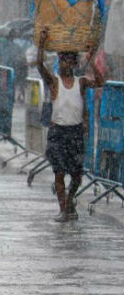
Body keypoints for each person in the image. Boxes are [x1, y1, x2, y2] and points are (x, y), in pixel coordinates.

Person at [36, 28, 105, 222]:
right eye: (63, 60)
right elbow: (40, 65)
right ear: (60, 62)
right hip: (58, 132)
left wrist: (90, 58)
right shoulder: (54, 82)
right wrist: (42, 43)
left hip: (74, 133)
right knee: (59, 173)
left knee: (77, 175)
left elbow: (100, 82)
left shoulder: (80, 82)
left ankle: (70, 197)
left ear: (74, 64)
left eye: (69, 61)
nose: (66, 64)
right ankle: (63, 209)